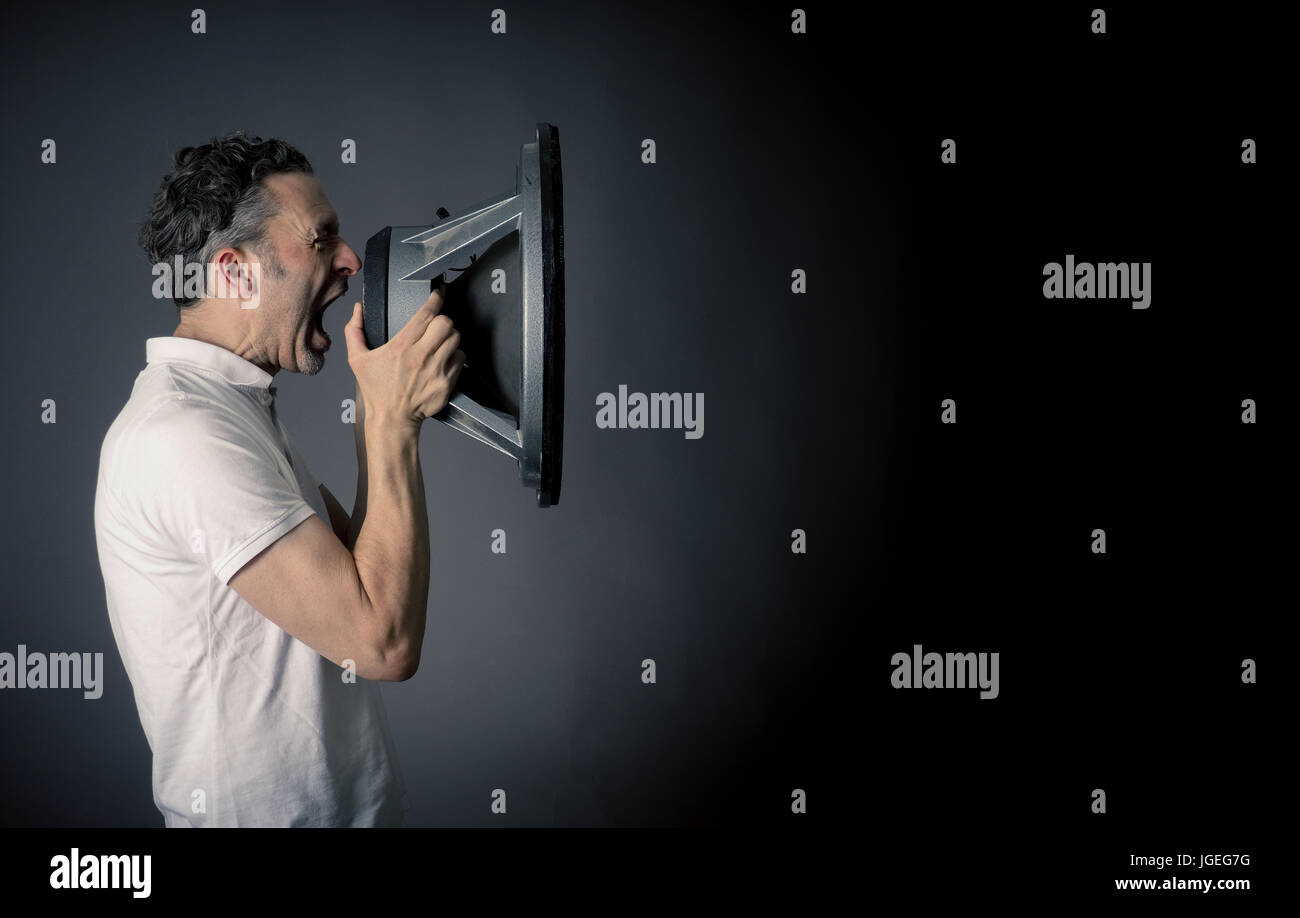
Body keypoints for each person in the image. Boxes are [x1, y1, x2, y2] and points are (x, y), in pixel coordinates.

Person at [93, 131, 465, 826]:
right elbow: (382, 642)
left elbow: (372, 575)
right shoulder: (184, 435)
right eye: (322, 239)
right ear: (237, 273)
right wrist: (387, 421)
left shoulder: (230, 411)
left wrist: (386, 412)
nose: (351, 259)